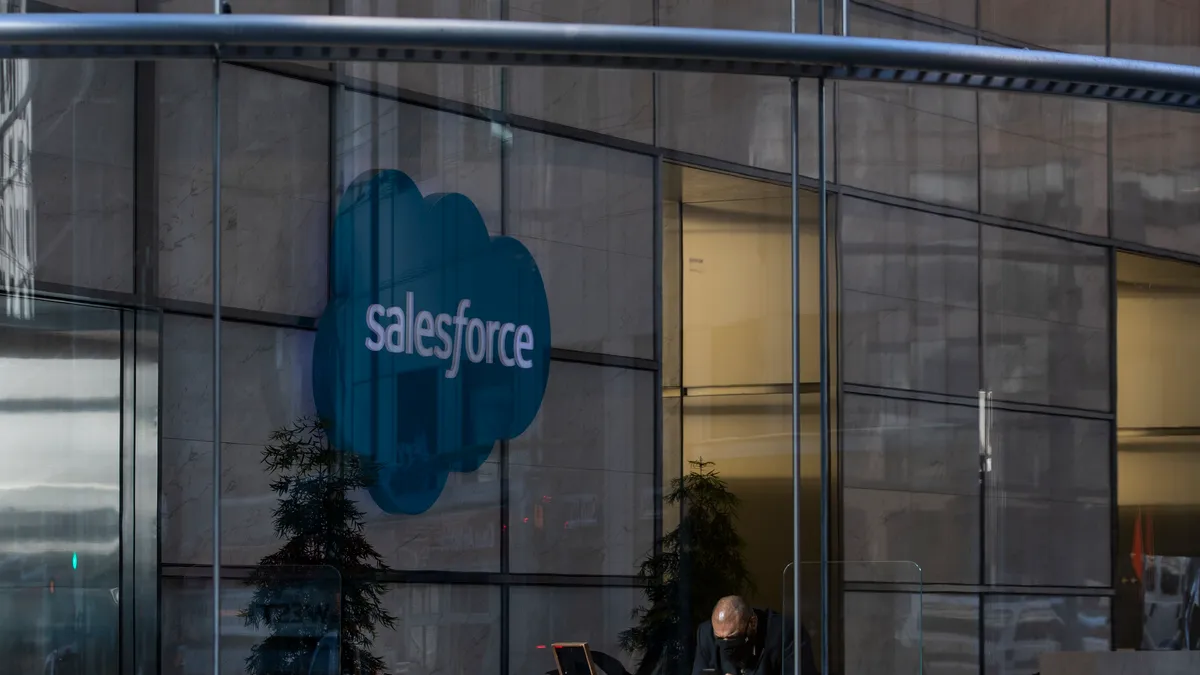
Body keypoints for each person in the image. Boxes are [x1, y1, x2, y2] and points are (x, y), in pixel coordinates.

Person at [692, 596, 818, 675]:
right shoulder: (706, 634)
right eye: (719, 638)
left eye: (732, 637)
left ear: (753, 622)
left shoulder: (785, 633)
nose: (726, 644)